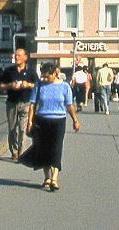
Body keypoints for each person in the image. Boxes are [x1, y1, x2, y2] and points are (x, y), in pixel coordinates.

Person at [25, 62, 80, 190]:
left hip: (58, 121)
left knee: (55, 148)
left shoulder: (65, 87)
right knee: (43, 149)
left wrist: (75, 120)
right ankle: (47, 177)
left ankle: (54, 178)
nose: (45, 79)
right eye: (43, 76)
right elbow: (32, 105)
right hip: (41, 120)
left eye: (47, 76)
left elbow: (69, 105)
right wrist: (29, 122)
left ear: (55, 72)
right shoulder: (39, 86)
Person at [0, 47, 38, 161]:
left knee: (22, 129)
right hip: (12, 103)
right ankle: (14, 151)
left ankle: (22, 152)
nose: (16, 57)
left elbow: (38, 86)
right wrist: (10, 86)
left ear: (25, 57)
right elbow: (1, 86)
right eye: (15, 55)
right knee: (12, 129)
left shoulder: (31, 72)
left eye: (19, 55)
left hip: (26, 103)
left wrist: (28, 85)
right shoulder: (9, 71)